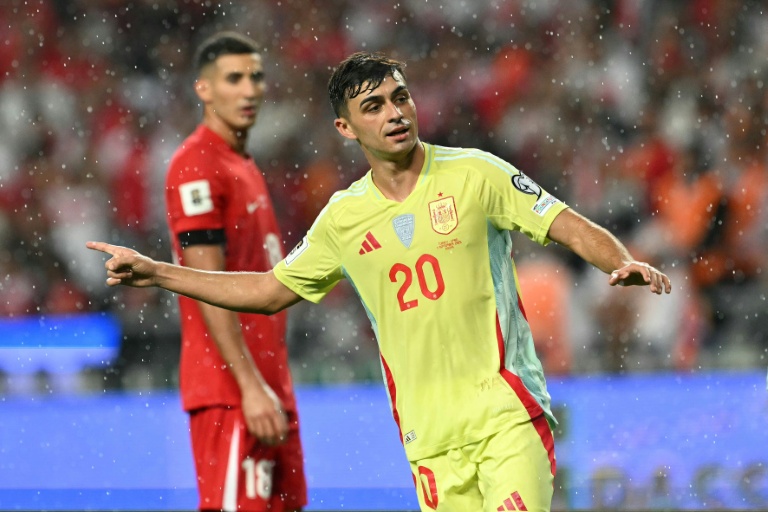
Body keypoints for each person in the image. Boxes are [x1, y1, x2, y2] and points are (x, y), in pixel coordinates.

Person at [89, 51, 671, 512]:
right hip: (429, 442)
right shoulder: (342, 219)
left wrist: (617, 259)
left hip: (508, 416)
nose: (395, 113)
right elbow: (268, 293)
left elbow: (564, 223)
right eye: (374, 106)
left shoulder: (476, 173)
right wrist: (160, 274)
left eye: (401, 98)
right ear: (346, 127)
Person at [162, 32, 306, 512]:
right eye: (234, 78)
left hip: (268, 386)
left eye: (256, 77)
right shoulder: (197, 165)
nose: (249, 90)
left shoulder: (241, 163)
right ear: (203, 89)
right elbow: (207, 287)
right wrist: (248, 386)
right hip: (232, 392)